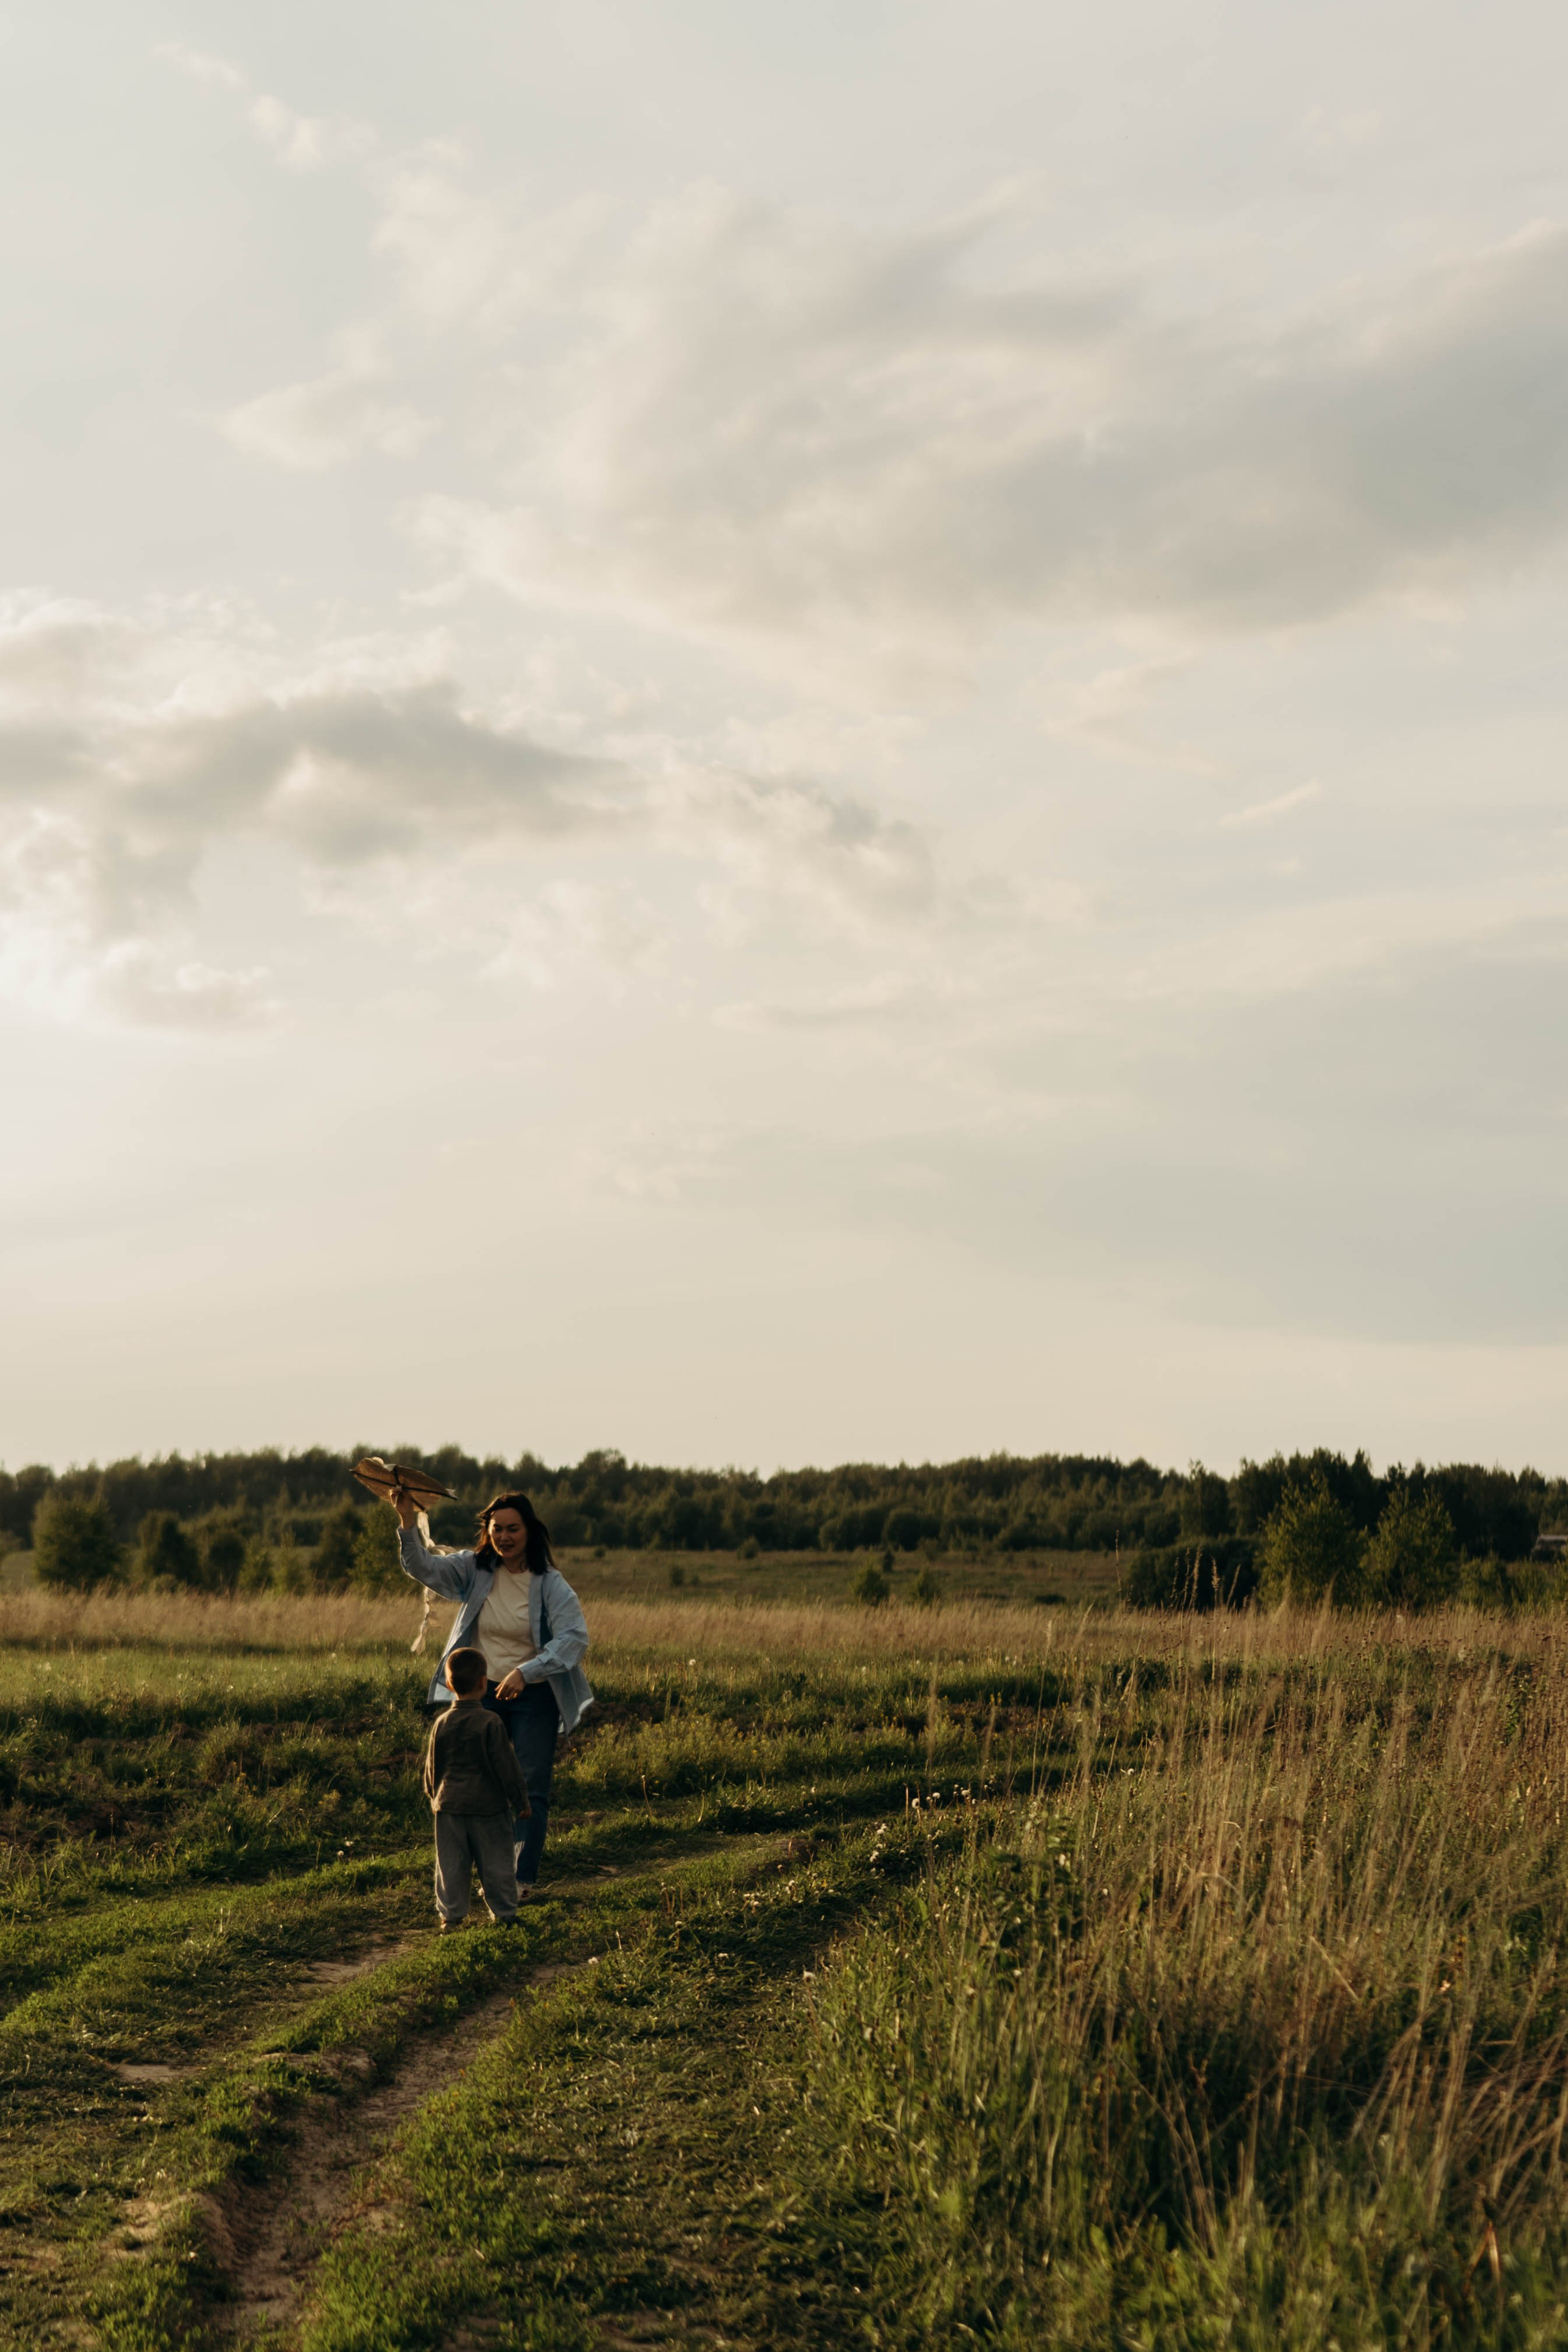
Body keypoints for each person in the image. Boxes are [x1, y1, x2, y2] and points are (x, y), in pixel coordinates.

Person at [394, 1487, 593, 1898]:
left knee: (531, 1784)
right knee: (479, 1784)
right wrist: (407, 1522)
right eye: (497, 1528)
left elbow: (575, 1638)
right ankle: (484, 1873)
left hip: (534, 1696)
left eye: (513, 1529)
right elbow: (423, 1568)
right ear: (487, 1531)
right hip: (481, 1696)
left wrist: (528, 1670)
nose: (504, 1536)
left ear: (530, 1532)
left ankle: (519, 1880)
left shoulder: (550, 1584)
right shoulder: (475, 1569)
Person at [424, 1645, 528, 1931]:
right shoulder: (491, 1723)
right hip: (489, 1809)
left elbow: (432, 1767)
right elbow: (508, 1767)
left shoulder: (441, 1722)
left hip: (449, 1808)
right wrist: (521, 1802)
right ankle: (505, 1913)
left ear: (449, 1685)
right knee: (497, 1863)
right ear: (484, 1683)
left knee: (450, 1865)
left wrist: (434, 1796)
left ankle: (451, 1917)